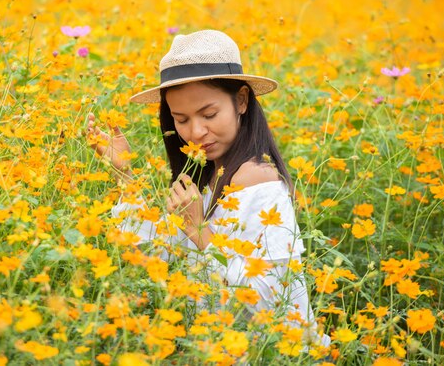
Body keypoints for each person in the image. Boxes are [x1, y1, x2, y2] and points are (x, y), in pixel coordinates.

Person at [87, 30, 329, 347]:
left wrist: (198, 230)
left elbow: (273, 298)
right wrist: (124, 174)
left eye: (209, 114)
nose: (196, 132)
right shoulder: (209, 174)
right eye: (181, 119)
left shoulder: (257, 178)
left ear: (241, 101)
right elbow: (156, 256)